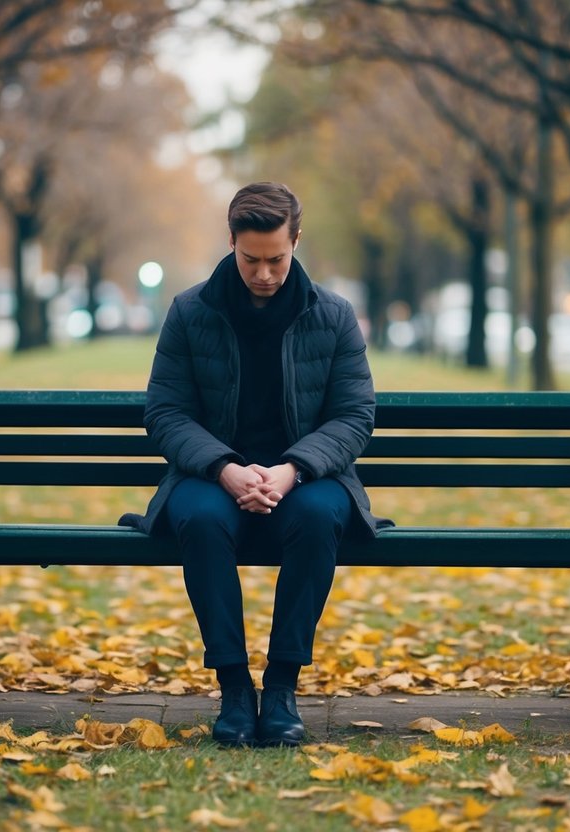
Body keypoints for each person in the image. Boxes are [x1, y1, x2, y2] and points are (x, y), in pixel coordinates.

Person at [120, 182, 389, 747]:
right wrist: (225, 468)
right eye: (250, 259)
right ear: (231, 243)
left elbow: (353, 416)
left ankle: (283, 687)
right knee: (198, 518)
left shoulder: (333, 315)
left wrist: (291, 470)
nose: (264, 273)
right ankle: (235, 689)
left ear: (296, 241)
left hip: (308, 478)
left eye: (276, 259)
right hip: (211, 478)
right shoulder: (191, 311)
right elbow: (166, 412)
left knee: (320, 518)